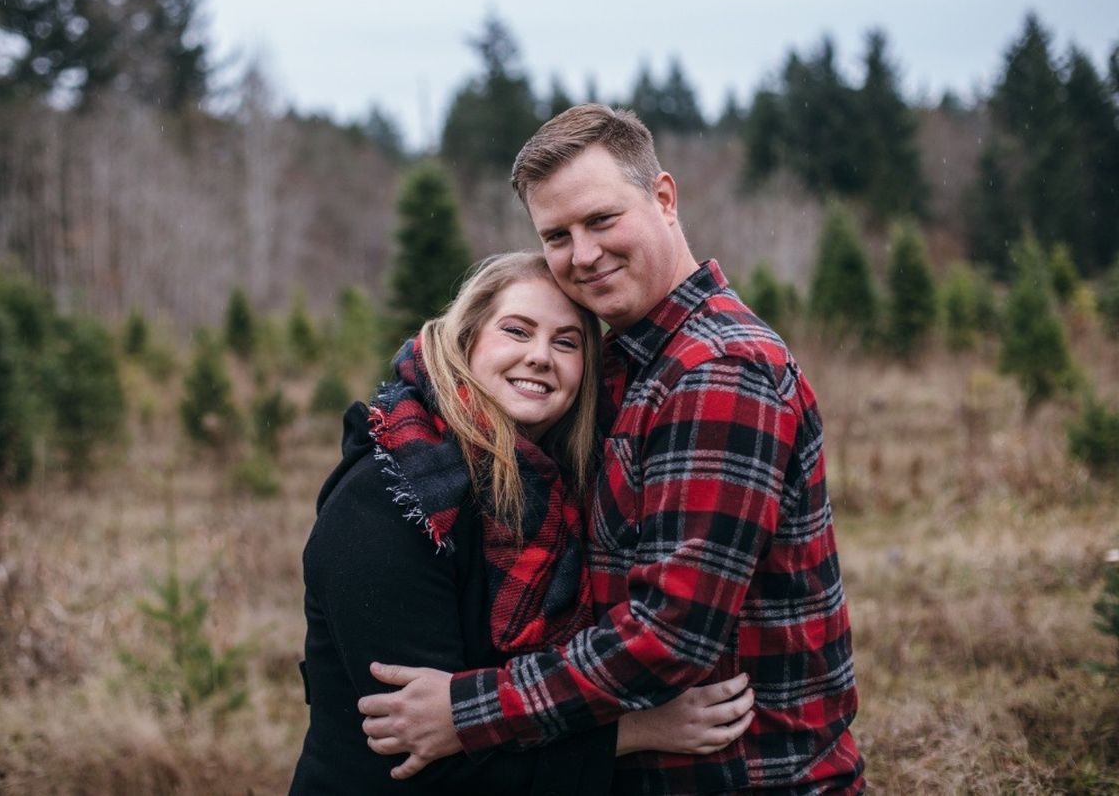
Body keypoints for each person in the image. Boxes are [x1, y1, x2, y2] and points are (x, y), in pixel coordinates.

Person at [359, 106, 865, 794]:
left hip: (746, 777)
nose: (583, 255)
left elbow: (670, 636)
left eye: (601, 220)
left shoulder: (716, 372)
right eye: (557, 236)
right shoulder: (626, 364)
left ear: (664, 198)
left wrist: (468, 712)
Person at [290, 251, 755, 795]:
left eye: (566, 343)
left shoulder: (567, 492)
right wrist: (635, 731)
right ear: (466, 340)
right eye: (517, 330)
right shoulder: (393, 497)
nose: (539, 357)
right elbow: (421, 749)